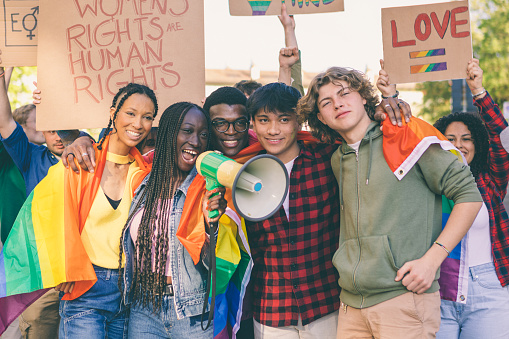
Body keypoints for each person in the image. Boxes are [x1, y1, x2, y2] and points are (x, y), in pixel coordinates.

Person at [297, 65, 483, 338]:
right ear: (321, 117)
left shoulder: (405, 133)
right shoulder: (337, 159)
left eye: (344, 93)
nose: (337, 104)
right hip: (351, 305)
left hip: (404, 298)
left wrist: (432, 261)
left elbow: (469, 196)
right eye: (326, 102)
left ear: (363, 97)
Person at [119, 101, 226, 338]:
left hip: (190, 313)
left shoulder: (206, 189)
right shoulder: (141, 183)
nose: (196, 142)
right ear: (168, 133)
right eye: (187, 131)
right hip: (143, 308)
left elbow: (215, 264)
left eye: (203, 135)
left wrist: (211, 227)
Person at [433, 59, 509, 339]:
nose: (458, 145)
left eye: (466, 139)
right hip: (439, 291)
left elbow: (503, 140)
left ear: (477, 144)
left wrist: (479, 92)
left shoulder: (490, 182)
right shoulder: (427, 185)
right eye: (449, 138)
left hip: (489, 290)